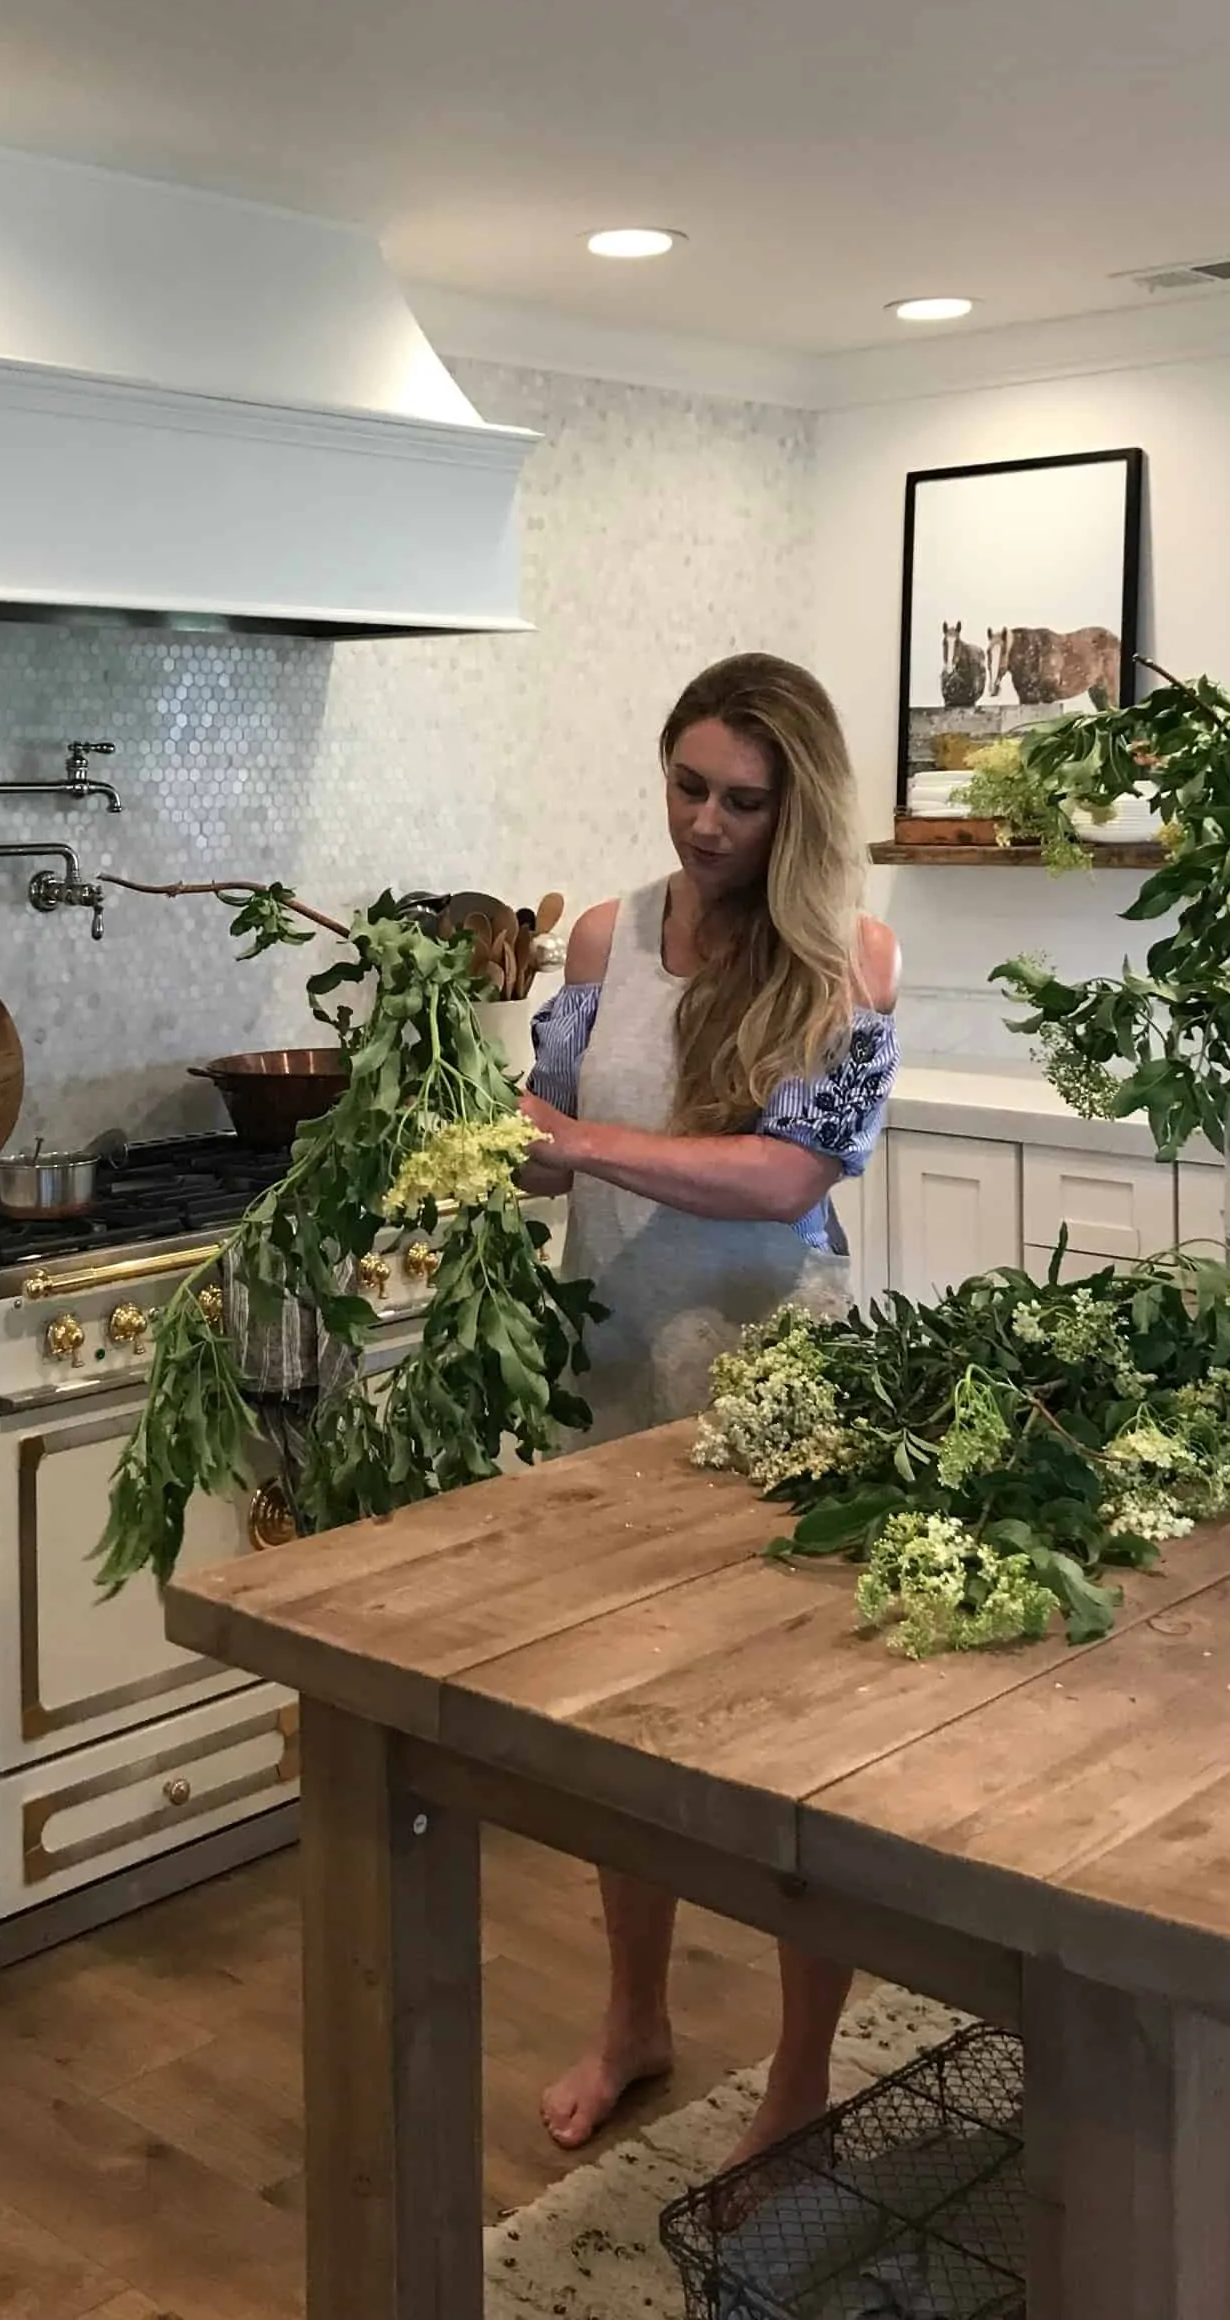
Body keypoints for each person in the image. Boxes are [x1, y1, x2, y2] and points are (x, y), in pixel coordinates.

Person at [518, 651, 899, 2162]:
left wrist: (584, 1142)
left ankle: (801, 2074)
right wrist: (487, 1138)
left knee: (797, 1750)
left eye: (742, 800)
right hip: (606, 1368)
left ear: (793, 809)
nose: (704, 823)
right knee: (628, 1734)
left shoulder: (847, 963)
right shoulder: (606, 938)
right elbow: (547, 1150)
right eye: (687, 786)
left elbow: (787, 1175)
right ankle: (635, 2022)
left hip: (772, 1384)